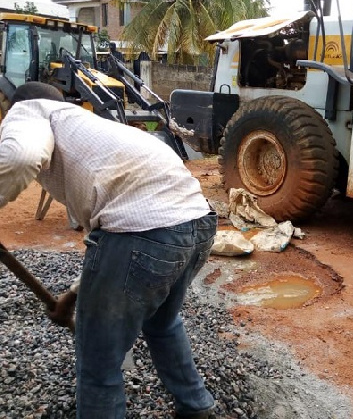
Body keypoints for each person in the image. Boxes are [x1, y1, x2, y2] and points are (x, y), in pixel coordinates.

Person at [0, 81, 217, 418]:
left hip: (144, 231)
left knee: (99, 361)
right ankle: (197, 406)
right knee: (162, 323)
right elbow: (111, 258)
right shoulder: (90, 128)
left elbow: (21, 155)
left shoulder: (29, 111)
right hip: (197, 224)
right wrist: (72, 296)